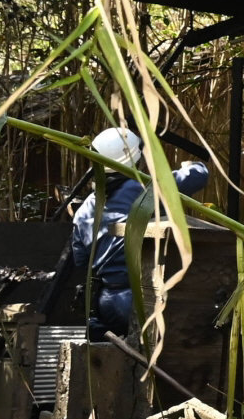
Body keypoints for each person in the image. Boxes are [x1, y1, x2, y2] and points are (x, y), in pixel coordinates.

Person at [68, 127, 207, 337]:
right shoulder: (142, 191)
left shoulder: (85, 209)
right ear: (136, 158)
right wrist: (192, 165)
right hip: (139, 299)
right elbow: (197, 176)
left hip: (105, 302)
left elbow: (80, 260)